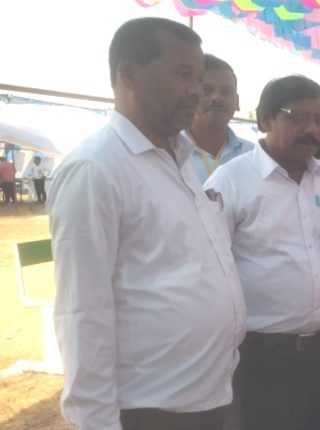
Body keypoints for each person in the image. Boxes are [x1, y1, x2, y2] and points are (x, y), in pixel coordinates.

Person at [48, 18, 246, 430]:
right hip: (151, 410)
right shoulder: (96, 168)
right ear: (128, 74)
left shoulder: (176, 158)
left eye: (199, 78)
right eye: (183, 74)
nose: (196, 91)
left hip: (208, 397)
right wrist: (97, 422)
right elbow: (83, 312)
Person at [205, 75, 320, 430]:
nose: (312, 129)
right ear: (265, 119)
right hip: (262, 359)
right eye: (298, 117)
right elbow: (208, 274)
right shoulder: (230, 182)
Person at [185, 54, 253, 184]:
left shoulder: (253, 155)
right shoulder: (168, 153)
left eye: (226, 92)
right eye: (206, 90)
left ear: (237, 102)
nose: (216, 98)